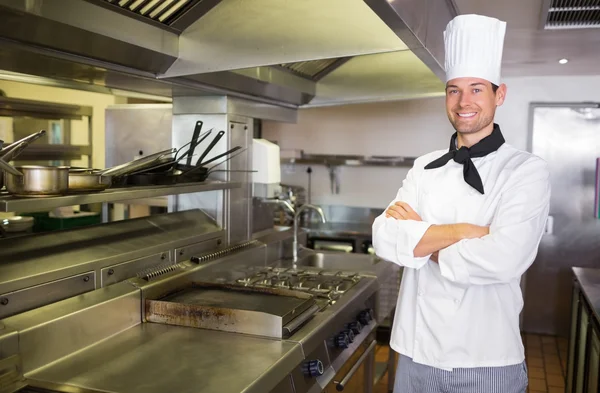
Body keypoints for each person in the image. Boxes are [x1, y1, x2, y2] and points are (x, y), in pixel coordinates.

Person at [372, 13, 551, 393]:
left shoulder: (526, 171)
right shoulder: (424, 166)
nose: (463, 101)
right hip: (414, 355)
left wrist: (422, 241)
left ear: (499, 94)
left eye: (476, 89)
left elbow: (505, 258)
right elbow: (385, 236)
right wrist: (463, 233)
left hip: (486, 359)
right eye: (454, 90)